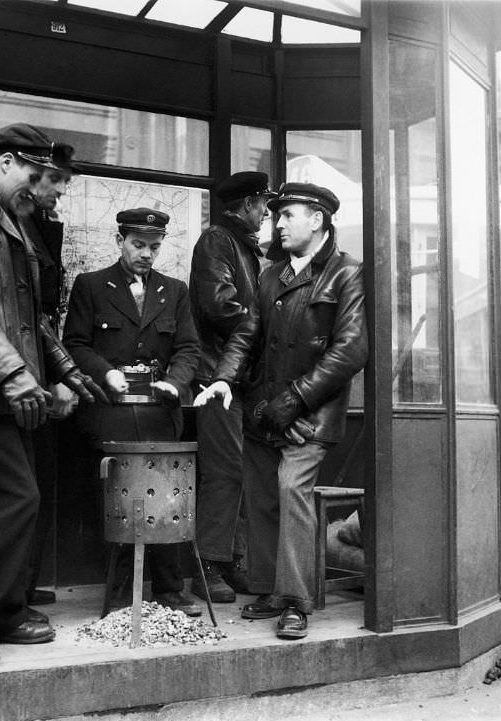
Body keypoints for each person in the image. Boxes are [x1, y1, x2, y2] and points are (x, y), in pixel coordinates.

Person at [0, 123, 106, 667]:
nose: (40, 188)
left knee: (14, 501)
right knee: (12, 500)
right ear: (7, 162)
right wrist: (14, 375)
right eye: (35, 176)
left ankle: (4, 610)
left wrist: (63, 367)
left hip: (8, 387)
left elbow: (27, 315)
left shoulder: (3, 214)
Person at [195, 182, 368, 639]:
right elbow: (246, 336)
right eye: (277, 216)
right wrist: (222, 379)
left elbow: (350, 351)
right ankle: (273, 588)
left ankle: (296, 600)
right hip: (265, 413)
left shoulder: (347, 273)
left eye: (288, 214)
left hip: (308, 416)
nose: (279, 223)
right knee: (264, 496)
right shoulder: (271, 275)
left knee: (292, 489)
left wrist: (292, 403)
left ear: (318, 219)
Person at [62, 207, 202, 616]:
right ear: (119, 240)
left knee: (166, 501)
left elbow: (188, 349)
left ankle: (171, 590)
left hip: (160, 415)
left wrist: (174, 384)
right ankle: (121, 595)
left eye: (154, 247)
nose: (146, 254)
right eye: (138, 245)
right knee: (120, 502)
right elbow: (75, 344)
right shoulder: (90, 286)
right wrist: (104, 374)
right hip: (112, 416)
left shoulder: (174, 291)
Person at [189, 171, 275, 603]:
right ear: (246, 204)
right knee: (224, 472)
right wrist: (270, 324)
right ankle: (208, 566)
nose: (266, 213)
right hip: (216, 376)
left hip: (240, 376)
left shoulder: (244, 247)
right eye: (263, 204)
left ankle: (232, 560)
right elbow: (220, 305)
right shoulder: (218, 241)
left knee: (244, 472)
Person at [17, 142, 79, 607]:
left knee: (33, 486)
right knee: (16, 494)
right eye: (55, 181)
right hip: (17, 374)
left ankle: (17, 587)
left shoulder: (39, 225)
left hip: (38, 369)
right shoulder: (14, 224)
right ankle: (7, 595)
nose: (59, 192)